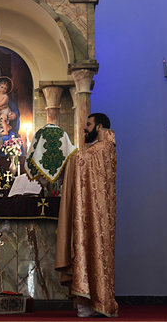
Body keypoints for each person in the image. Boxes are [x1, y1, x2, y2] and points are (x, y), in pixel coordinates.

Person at [55, 113, 118, 317]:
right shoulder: (96, 150)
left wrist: (67, 155)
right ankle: (88, 302)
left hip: (97, 215)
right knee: (86, 250)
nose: (84, 128)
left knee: (93, 251)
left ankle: (97, 302)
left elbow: (80, 160)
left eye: (88, 124)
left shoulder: (104, 149)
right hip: (91, 211)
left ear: (99, 127)